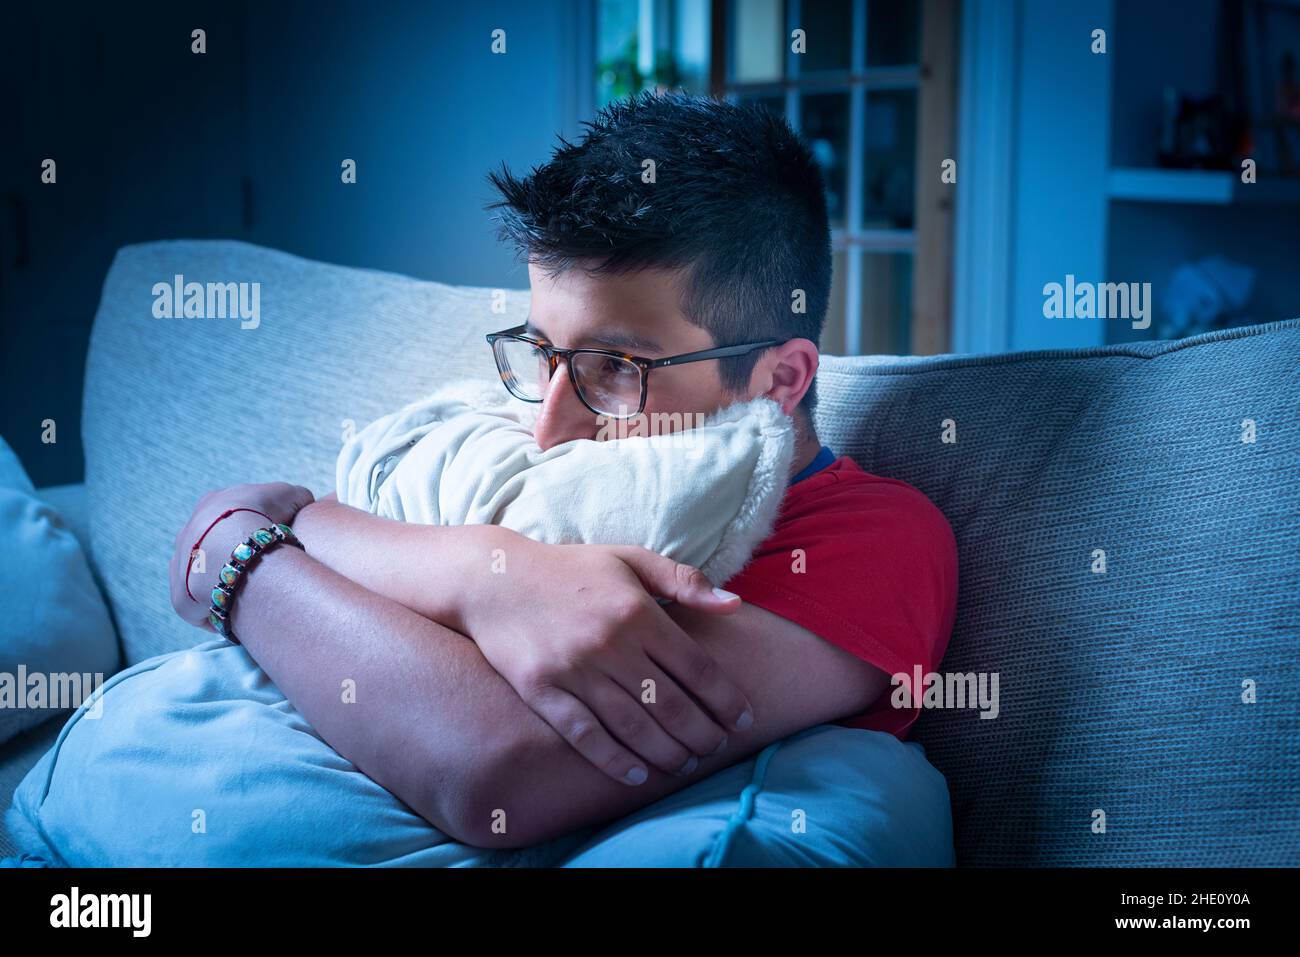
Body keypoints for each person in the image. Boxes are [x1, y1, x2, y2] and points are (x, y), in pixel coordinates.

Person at [167, 90, 958, 849]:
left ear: (780, 379)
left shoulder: (874, 535)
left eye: (615, 365)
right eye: (544, 353)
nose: (548, 426)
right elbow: (281, 542)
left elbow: (486, 772)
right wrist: (482, 576)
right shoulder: (514, 448)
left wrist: (247, 555)